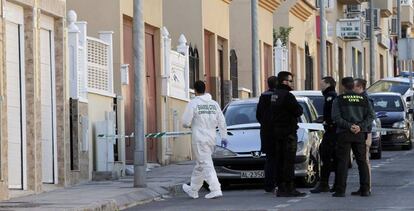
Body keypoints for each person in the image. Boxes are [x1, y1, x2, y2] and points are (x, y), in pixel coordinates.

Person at [181, 80, 228, 199]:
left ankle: (215, 188)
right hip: (211, 138)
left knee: (205, 163)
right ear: (205, 89)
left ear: (195, 90)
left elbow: (186, 122)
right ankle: (193, 189)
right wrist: (224, 136)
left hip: (199, 138)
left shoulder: (194, 103)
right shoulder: (214, 104)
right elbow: (222, 121)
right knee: (200, 164)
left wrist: (189, 124)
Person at [331, 77, 375, 197]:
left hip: (344, 133)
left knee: (343, 162)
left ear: (343, 86)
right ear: (352, 86)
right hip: (359, 134)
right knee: (362, 162)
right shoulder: (364, 99)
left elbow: (335, 117)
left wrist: (349, 126)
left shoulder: (339, 99)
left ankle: (340, 190)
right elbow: (371, 116)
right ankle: (365, 189)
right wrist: (359, 127)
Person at [272, 71, 305, 197]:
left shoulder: (275, 94)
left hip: (278, 132)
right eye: (290, 81)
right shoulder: (288, 96)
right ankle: (289, 188)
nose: (292, 83)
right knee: (288, 161)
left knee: (280, 161)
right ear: (284, 81)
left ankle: (281, 188)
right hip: (288, 133)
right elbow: (298, 111)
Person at [311, 76, 338, 193]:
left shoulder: (330, 96)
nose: (320, 86)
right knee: (331, 158)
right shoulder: (330, 95)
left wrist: (327, 121)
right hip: (332, 131)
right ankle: (333, 184)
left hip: (332, 132)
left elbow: (331, 114)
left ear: (328, 84)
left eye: (322, 84)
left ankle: (325, 184)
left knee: (326, 157)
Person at [256, 76, 278, 193]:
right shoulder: (280, 96)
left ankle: (269, 185)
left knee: (269, 159)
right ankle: (280, 183)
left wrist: (265, 124)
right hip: (279, 131)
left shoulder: (263, 97)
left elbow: (258, 115)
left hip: (266, 132)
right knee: (280, 158)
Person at [353, 78, 375, 195]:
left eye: (354, 86)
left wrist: (362, 128)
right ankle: (364, 187)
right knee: (362, 161)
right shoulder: (359, 98)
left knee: (365, 161)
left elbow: (370, 118)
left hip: (366, 133)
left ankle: (367, 187)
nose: (353, 88)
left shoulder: (366, 99)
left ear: (360, 87)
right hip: (362, 132)